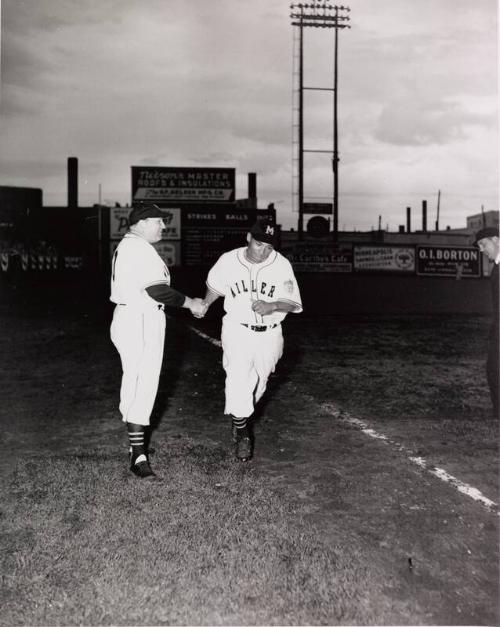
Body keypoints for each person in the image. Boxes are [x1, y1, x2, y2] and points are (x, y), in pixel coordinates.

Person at [110, 202, 205, 478]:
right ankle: (138, 455)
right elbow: (156, 290)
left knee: (137, 380)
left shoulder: (132, 246)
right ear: (140, 223)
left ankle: (136, 447)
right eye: (158, 221)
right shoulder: (138, 249)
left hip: (134, 317)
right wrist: (191, 303)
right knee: (142, 382)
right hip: (139, 318)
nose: (164, 225)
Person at [199, 219, 303, 461]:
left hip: (270, 333)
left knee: (259, 384)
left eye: (269, 247)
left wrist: (274, 304)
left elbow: (293, 302)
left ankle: (239, 418)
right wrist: (205, 303)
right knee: (238, 377)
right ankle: (243, 433)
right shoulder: (228, 260)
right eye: (259, 244)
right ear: (248, 238)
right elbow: (216, 286)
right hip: (237, 329)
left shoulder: (280, 264)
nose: (264, 251)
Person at [474, 226, 499, 417]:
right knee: (493, 372)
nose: (481, 250)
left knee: (494, 371)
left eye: (483, 244)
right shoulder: (496, 269)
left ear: (496, 240)